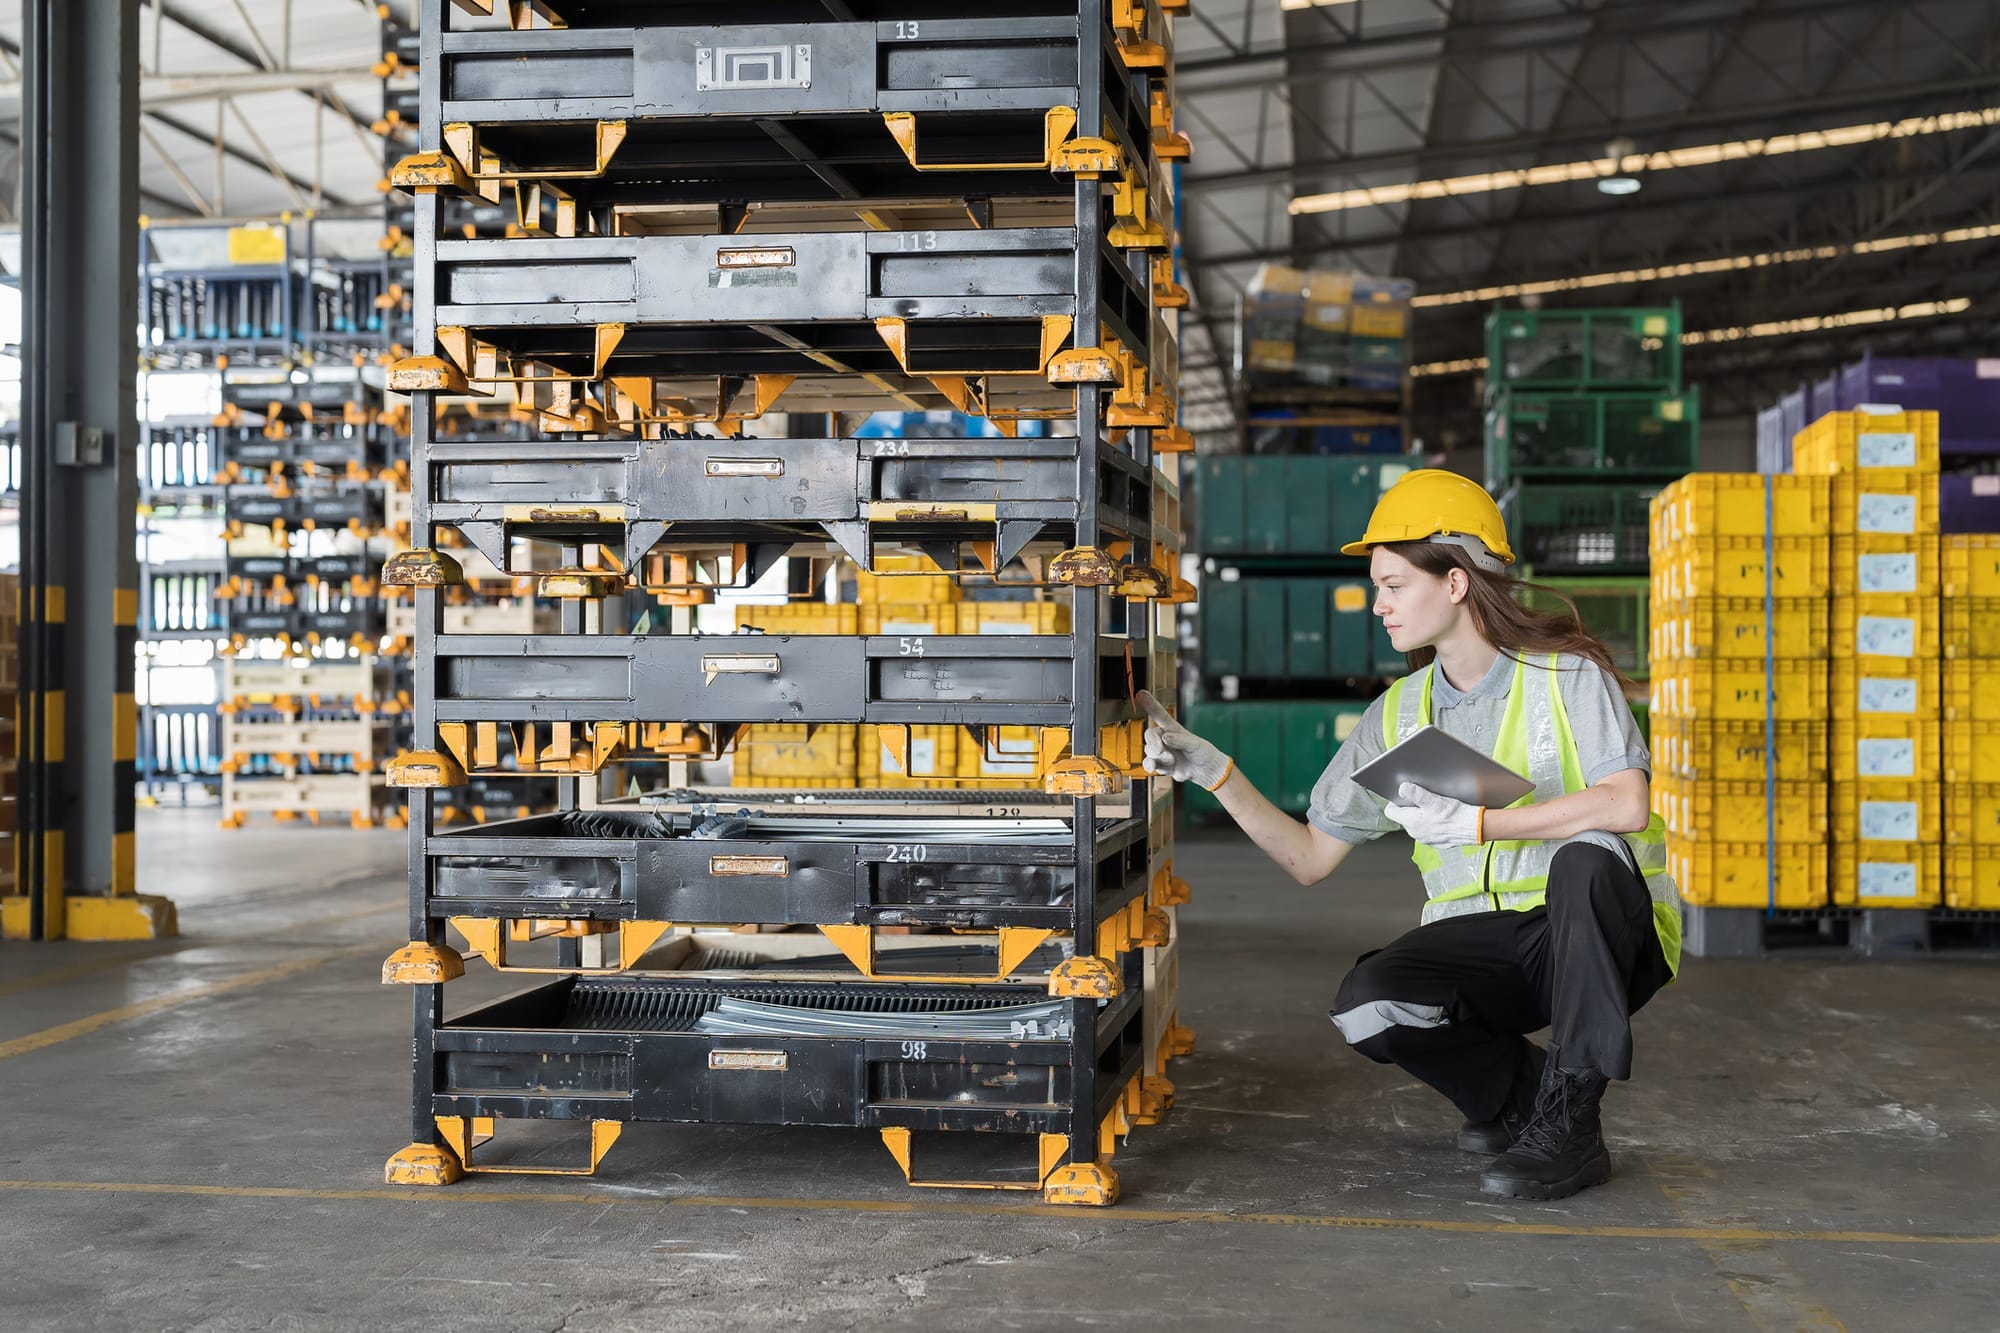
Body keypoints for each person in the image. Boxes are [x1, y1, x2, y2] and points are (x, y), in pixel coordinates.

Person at [1139, 468, 1679, 1202]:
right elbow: (1308, 857)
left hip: (1603, 940)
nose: (1378, 604)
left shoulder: (1567, 676)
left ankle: (1572, 1124)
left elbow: (1627, 804)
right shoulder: (1397, 713)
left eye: (1393, 584)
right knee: (1367, 999)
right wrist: (1212, 770)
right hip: (1493, 951)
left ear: (1455, 583)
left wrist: (1484, 822)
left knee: (1586, 856)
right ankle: (1517, 1096)